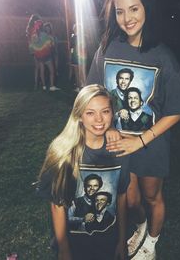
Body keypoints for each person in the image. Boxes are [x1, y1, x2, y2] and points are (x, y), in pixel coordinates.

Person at [86, 0, 180, 259]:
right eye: (120, 11)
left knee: (151, 196)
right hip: (118, 144)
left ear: (147, 6)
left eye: (134, 8)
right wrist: (106, 125)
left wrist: (142, 139)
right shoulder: (107, 49)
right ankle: (142, 225)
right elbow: (94, 94)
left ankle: (152, 243)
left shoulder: (162, 56)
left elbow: (177, 109)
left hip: (152, 142)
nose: (127, 18)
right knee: (131, 200)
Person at [37, 84, 130, 260]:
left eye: (105, 111)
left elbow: (121, 197)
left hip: (108, 241)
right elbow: (57, 205)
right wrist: (64, 249)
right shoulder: (64, 153)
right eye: (90, 113)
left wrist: (122, 239)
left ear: (113, 113)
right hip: (74, 242)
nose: (99, 120)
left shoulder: (120, 150)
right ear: (79, 115)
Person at [29, 20, 60, 91]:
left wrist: (34, 52)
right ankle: (52, 86)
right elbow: (51, 44)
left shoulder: (33, 35)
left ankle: (44, 86)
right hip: (46, 56)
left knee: (41, 71)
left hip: (39, 56)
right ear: (42, 27)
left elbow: (31, 46)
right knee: (52, 71)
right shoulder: (45, 35)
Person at [69, 23, 87, 91]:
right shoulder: (82, 37)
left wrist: (70, 56)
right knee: (80, 72)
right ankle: (81, 85)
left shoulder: (75, 38)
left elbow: (72, 48)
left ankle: (80, 86)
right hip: (80, 56)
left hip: (77, 57)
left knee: (78, 72)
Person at [26, 13, 42, 89]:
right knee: (39, 66)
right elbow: (35, 39)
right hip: (36, 48)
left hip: (33, 48)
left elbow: (30, 41)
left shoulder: (30, 28)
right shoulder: (35, 29)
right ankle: (39, 83)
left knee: (38, 66)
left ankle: (37, 83)